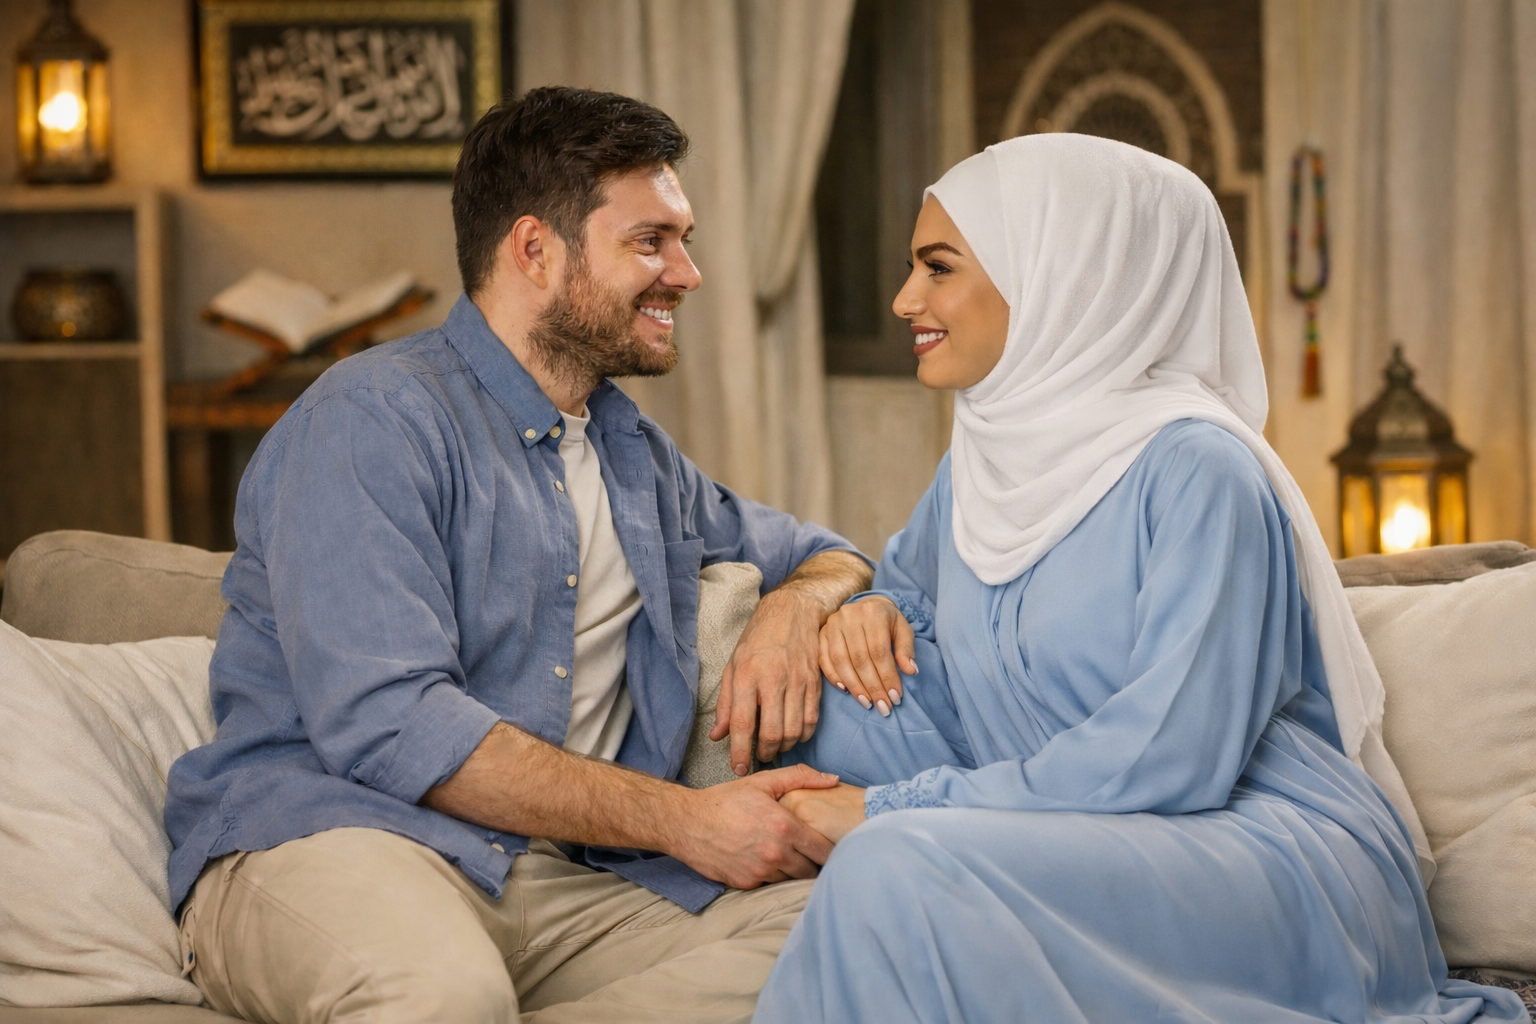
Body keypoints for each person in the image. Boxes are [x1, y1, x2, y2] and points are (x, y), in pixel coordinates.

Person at [755, 134, 1530, 1023]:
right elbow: (917, 590)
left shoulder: (1201, 472)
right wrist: (875, 605)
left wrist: (893, 806)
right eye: (911, 268)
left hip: (1257, 848)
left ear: (1060, 272)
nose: (905, 299)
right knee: (865, 805)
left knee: (892, 863)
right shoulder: (980, 468)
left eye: (939, 268)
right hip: (1093, 835)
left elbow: (1177, 751)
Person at [164, 86, 872, 1024]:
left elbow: (828, 552)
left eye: (684, 239)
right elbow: (391, 726)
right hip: (339, 839)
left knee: (854, 928)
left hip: (558, 881)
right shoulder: (371, 418)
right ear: (536, 251)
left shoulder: (636, 456)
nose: (688, 273)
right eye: (650, 241)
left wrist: (793, 609)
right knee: (443, 995)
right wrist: (686, 822)